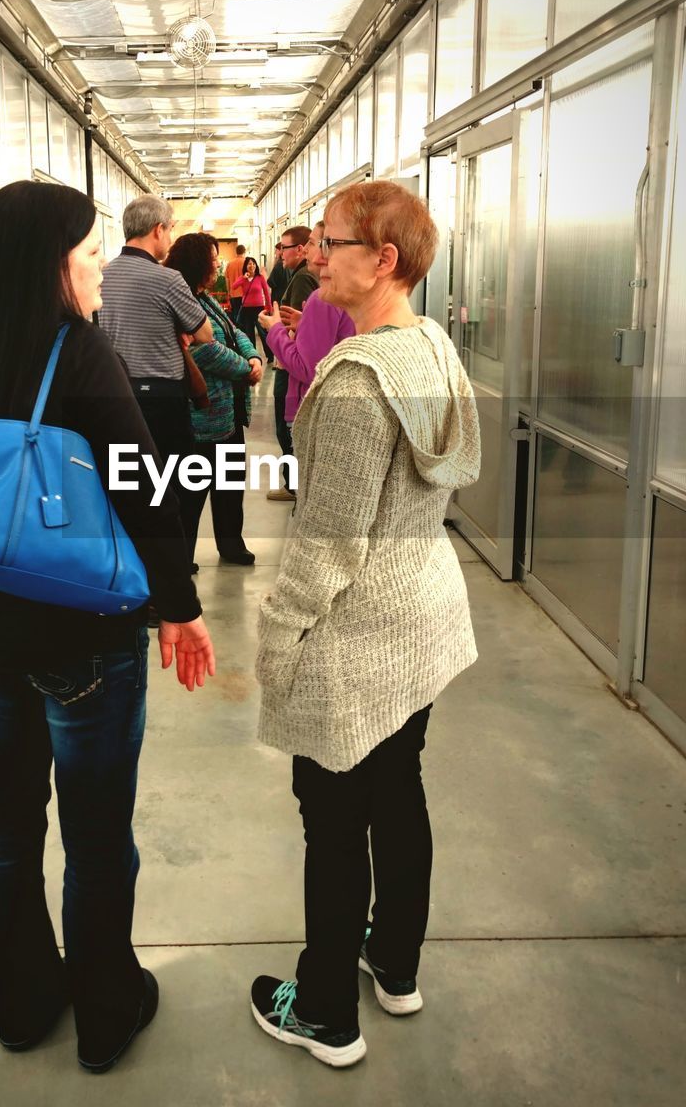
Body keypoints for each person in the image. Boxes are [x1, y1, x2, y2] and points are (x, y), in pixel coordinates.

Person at [0, 181, 215, 1075]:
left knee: (8, 817)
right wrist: (179, 605)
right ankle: (105, 1013)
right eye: (89, 253)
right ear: (49, 263)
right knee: (97, 834)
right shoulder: (79, 352)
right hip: (83, 631)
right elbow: (142, 484)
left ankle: (22, 1006)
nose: (100, 268)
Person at [250, 181, 480, 1068]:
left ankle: (323, 1013)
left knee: (335, 816)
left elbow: (327, 543)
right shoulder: (434, 349)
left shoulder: (354, 378)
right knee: (398, 790)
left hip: (358, 632)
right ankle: (395, 963)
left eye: (331, 243)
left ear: (382, 260)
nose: (314, 256)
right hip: (421, 614)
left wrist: (278, 637)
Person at [97, 196, 213, 554]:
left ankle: (134, 572)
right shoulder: (167, 278)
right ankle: (172, 569)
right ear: (158, 230)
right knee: (178, 487)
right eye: (171, 228)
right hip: (162, 399)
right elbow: (204, 333)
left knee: (129, 488)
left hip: (115, 396)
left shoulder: (102, 274)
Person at [165, 233, 263, 568]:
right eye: (211, 257)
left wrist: (254, 358)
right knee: (191, 495)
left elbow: (233, 330)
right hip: (202, 417)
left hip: (230, 413)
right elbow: (200, 348)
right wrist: (243, 369)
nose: (217, 263)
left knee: (230, 486)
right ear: (197, 263)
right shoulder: (181, 299)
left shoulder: (204, 297)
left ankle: (231, 545)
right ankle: (182, 558)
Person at [259, 222, 355, 428]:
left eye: (311, 243)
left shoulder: (323, 297)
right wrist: (305, 324)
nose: (306, 250)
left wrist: (275, 329)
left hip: (311, 409)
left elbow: (307, 368)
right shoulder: (345, 292)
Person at [267, 226, 314, 502]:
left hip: (290, 366)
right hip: (292, 364)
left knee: (288, 428)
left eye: (283, 248)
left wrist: (275, 330)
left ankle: (295, 487)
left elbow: (294, 328)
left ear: (300, 249)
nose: (279, 253)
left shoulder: (302, 280)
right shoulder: (299, 276)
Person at [230, 256, 272, 346]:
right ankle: (253, 354)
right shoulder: (243, 278)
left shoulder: (260, 278)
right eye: (249, 264)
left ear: (255, 266)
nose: (252, 265)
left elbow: (266, 293)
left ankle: (269, 355)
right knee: (249, 334)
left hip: (259, 309)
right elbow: (233, 286)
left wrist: (269, 308)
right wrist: (243, 278)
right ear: (246, 266)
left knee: (263, 333)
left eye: (253, 264)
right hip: (247, 309)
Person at [225, 243, 247, 323]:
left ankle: (236, 333)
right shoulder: (246, 263)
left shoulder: (230, 264)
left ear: (236, 252)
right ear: (244, 252)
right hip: (245, 294)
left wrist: (228, 292)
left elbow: (227, 279)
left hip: (233, 294)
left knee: (235, 315)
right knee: (245, 317)